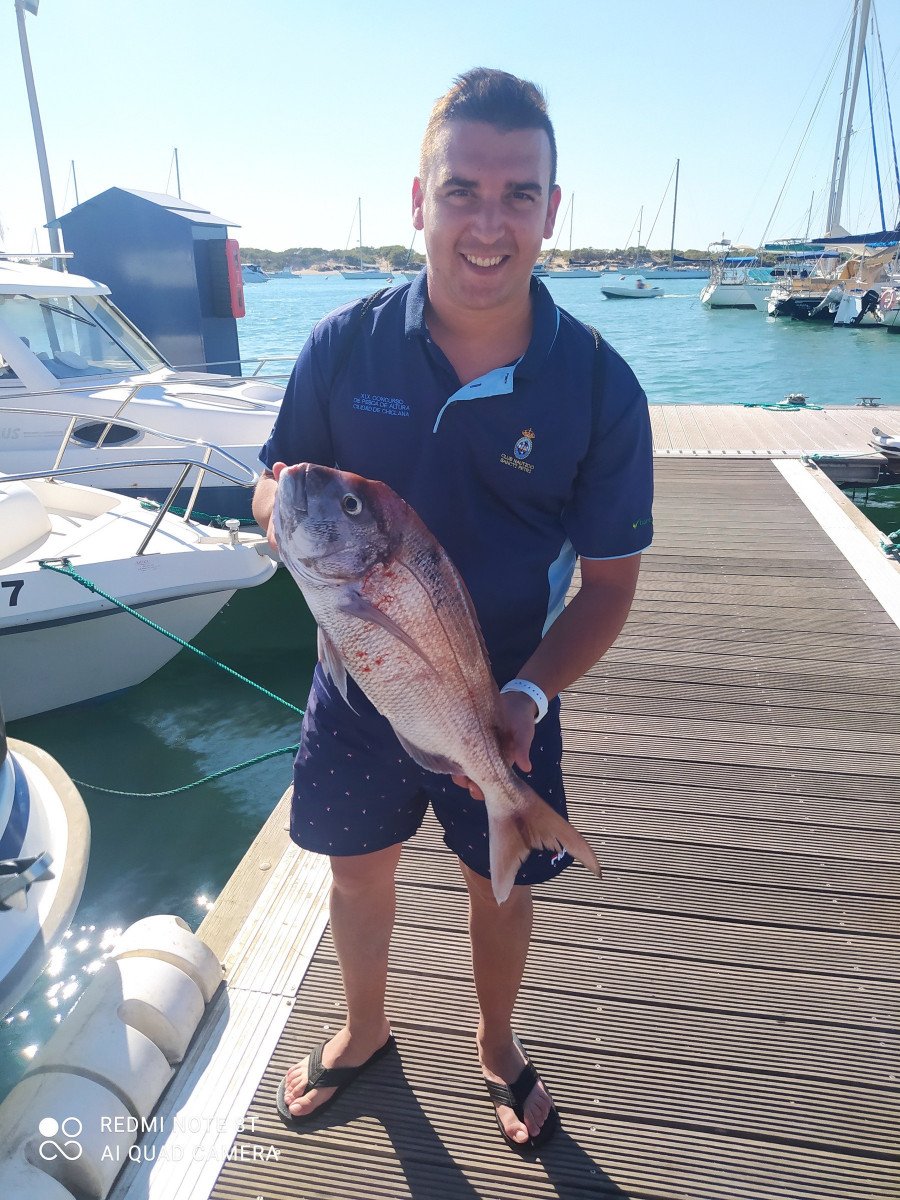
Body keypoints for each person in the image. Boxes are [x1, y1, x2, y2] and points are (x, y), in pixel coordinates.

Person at [252, 67, 653, 1152]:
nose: (489, 221)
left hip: (506, 689)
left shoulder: (600, 384)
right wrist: (286, 519)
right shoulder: (345, 343)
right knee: (356, 871)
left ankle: (494, 1043)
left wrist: (525, 693)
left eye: (519, 192)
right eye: (462, 188)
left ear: (553, 210)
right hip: (356, 679)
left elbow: (611, 584)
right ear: (418, 198)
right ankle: (365, 1028)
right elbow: (275, 482)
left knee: (500, 882)